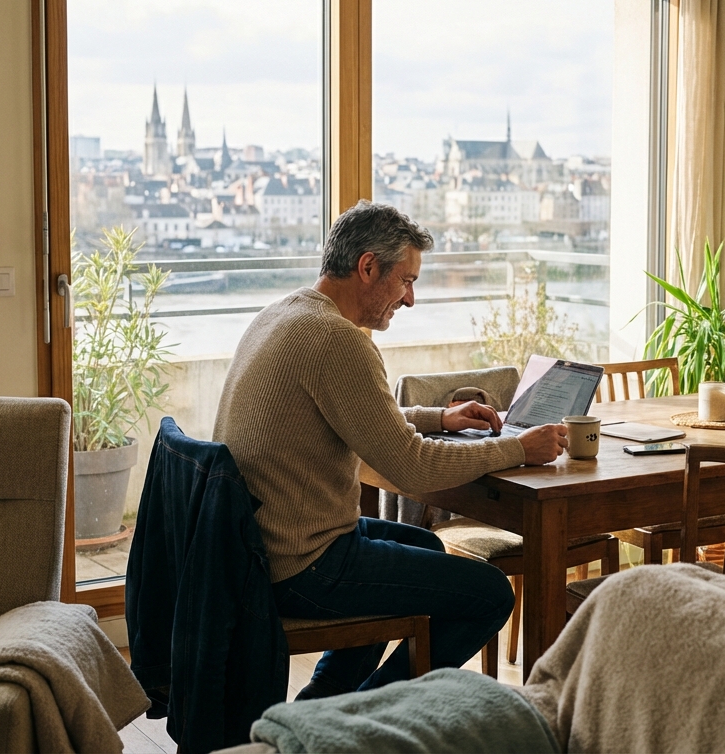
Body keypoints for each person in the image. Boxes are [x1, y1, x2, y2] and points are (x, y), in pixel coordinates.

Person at [213, 200, 568, 699]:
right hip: (299, 564)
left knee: (426, 546)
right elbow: (413, 467)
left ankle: (328, 700)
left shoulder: (285, 314)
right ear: (367, 267)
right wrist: (519, 449)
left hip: (259, 546)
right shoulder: (337, 340)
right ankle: (370, 711)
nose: (410, 300)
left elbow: (357, 416)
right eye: (406, 281)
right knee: (490, 594)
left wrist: (439, 418)